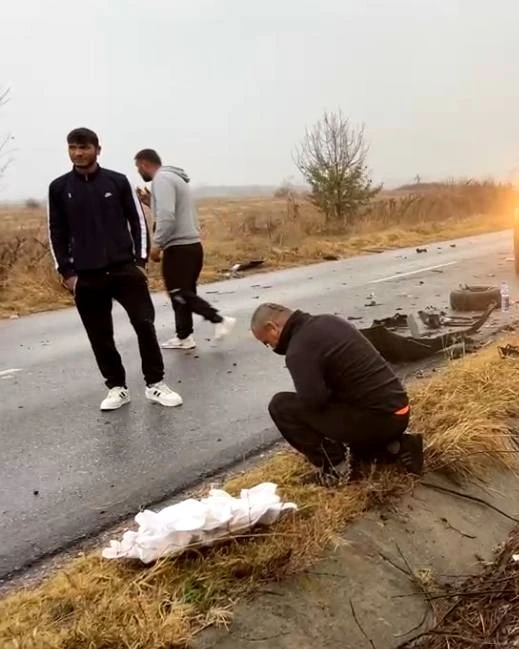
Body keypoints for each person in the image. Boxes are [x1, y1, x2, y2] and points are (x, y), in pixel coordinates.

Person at [47, 128, 183, 411]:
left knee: (144, 325)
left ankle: (155, 384)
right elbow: (56, 232)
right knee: (100, 335)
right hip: (86, 276)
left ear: (98, 149)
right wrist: (68, 274)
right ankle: (117, 387)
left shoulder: (117, 182)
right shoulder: (59, 188)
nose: (78, 153)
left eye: (84, 147)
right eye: (73, 147)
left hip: (124, 270)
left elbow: (138, 221)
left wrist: (140, 262)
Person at [250, 302, 423, 483]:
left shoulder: (298, 349)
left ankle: (334, 468)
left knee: (281, 406)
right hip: (398, 412)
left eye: (266, 342)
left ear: (272, 327)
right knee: (351, 433)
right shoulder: (328, 321)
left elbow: (313, 402)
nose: (269, 347)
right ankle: (397, 447)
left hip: (378, 420)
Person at [134, 149, 236, 350]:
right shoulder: (174, 178)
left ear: (145, 164)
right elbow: (171, 209)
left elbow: (167, 216)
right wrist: (150, 202)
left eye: (138, 168)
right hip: (192, 247)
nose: (139, 172)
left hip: (178, 248)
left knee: (179, 292)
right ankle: (184, 337)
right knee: (183, 293)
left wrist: (157, 244)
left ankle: (219, 320)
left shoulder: (161, 180)